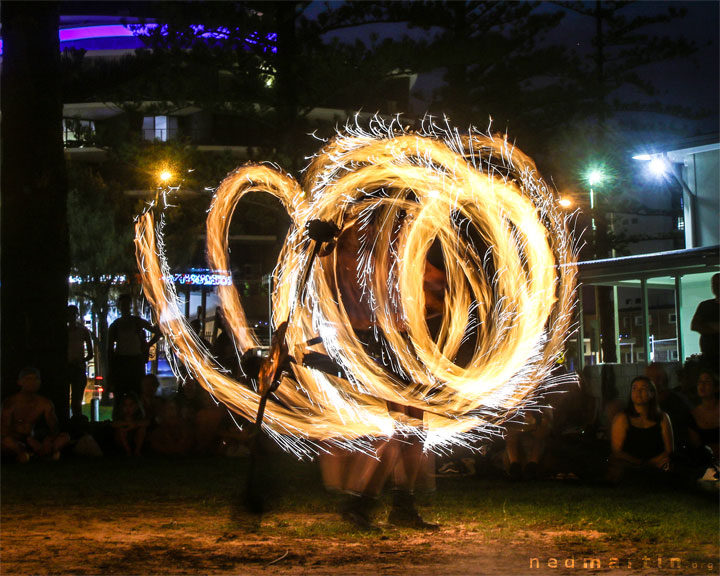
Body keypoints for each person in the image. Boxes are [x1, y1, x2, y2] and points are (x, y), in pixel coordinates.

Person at [608, 376, 674, 483]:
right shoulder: (622, 418)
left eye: (642, 389)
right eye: (634, 388)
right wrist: (640, 463)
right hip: (630, 464)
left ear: (652, 393)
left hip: (657, 462)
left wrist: (652, 462)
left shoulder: (662, 417)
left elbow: (669, 450)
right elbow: (617, 451)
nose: (638, 392)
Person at [1, 367, 70, 462]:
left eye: (36, 379)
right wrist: (24, 441)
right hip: (15, 439)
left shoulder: (45, 403)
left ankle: (41, 452)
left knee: (65, 437)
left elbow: (54, 428)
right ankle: (24, 453)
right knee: (6, 442)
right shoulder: (11, 403)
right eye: (28, 379)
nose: (33, 382)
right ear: (20, 382)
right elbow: (4, 430)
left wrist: (48, 440)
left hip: (34, 438)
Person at [107, 294, 161, 415]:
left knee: (137, 394)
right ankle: (119, 418)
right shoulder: (116, 325)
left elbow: (158, 332)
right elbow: (110, 349)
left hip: (135, 362)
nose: (125, 307)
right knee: (120, 395)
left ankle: (138, 417)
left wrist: (147, 345)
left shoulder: (136, 322)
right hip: (122, 362)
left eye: (127, 304)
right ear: (120, 307)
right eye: (123, 305)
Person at [67, 304, 94, 418]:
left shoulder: (83, 331)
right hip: (70, 367)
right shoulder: (81, 331)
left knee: (76, 399)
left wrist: (80, 360)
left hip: (77, 367)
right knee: (75, 398)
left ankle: (76, 419)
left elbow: (90, 353)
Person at [688, 370, 719, 463]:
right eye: (700, 382)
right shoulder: (693, 415)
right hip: (706, 463)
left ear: (716, 387)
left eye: (707, 382)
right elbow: (697, 445)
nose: (702, 385)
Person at [691, 273, 719, 372]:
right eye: (714, 284)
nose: (716, 287)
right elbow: (694, 325)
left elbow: (698, 325)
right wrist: (716, 328)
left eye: (718, 284)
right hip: (709, 357)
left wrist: (707, 326)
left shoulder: (705, 306)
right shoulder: (705, 305)